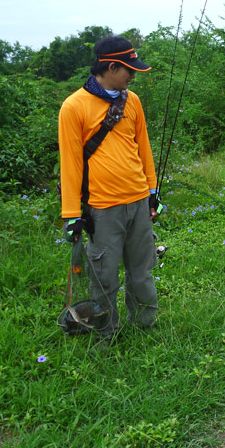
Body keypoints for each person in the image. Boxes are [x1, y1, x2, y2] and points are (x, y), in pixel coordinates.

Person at [58, 35, 161, 338]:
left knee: (141, 271)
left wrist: (152, 193)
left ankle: (144, 326)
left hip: (139, 201)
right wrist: (72, 213)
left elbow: (143, 147)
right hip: (102, 209)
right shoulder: (74, 107)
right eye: (129, 70)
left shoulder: (133, 101)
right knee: (103, 277)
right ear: (111, 67)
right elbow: (71, 164)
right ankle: (107, 333)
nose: (133, 76)